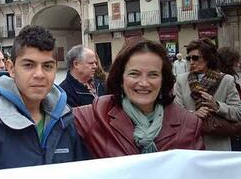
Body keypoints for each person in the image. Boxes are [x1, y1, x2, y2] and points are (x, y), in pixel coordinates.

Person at [0, 25, 88, 171]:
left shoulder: (66, 120)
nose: (39, 74)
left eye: (47, 66)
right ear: (11, 68)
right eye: (29, 65)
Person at [74, 38, 204, 158]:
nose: (144, 83)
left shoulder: (189, 125)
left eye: (153, 75)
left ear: (163, 80)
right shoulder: (94, 117)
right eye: (134, 74)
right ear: (121, 78)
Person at [174, 38, 241, 151]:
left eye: (195, 58)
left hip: (217, 146)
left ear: (208, 59)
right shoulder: (181, 80)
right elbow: (175, 112)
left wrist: (217, 106)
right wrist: (193, 114)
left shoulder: (226, 80)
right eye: (189, 58)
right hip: (189, 145)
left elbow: (238, 113)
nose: (191, 62)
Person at [217, 46, 241, 150]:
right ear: (229, 62)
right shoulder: (228, 81)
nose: (238, 64)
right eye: (236, 61)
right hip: (231, 132)